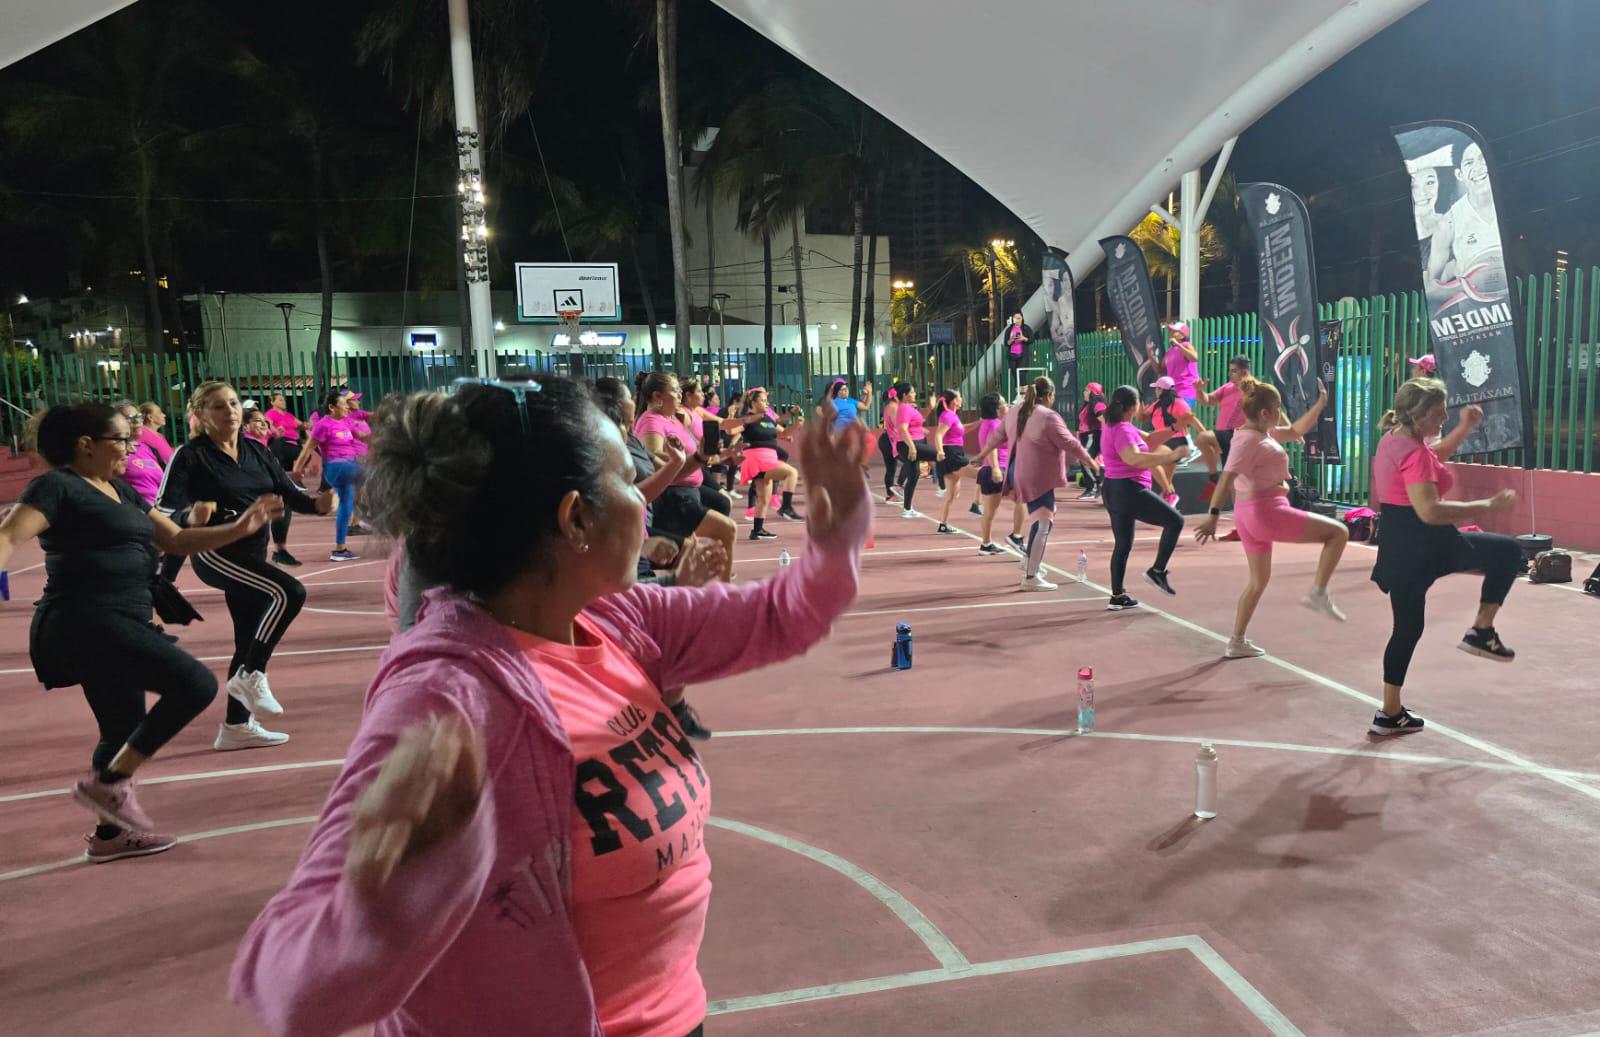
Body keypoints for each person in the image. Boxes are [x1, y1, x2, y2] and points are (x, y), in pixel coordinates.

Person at [230, 377, 870, 1037]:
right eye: (629, 478)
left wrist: (838, 528)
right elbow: (289, 988)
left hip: (676, 1016)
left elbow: (777, 614)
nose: (645, 504)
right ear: (575, 518)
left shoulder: (616, 619)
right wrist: (393, 892)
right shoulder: (445, 701)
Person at [0, 404, 279, 861]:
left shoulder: (120, 491)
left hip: (122, 620)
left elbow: (174, 539)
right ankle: (108, 785)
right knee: (195, 684)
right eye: (120, 439)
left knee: (121, 728)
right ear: (85, 445)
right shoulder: (56, 487)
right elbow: (10, 535)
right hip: (84, 620)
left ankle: (110, 836)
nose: (131, 447)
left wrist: (240, 527)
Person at [159, 381, 333, 750]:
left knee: (248, 638)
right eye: (219, 406)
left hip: (252, 553)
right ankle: (251, 675)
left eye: (234, 404)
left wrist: (317, 504)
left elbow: (288, 494)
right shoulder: (190, 456)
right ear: (201, 414)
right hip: (216, 552)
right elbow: (162, 511)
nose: (231, 412)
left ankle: (236, 726)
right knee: (290, 591)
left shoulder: (256, 450)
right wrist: (191, 514)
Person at [1366, 378, 1520, 736]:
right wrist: (1488, 505)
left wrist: (1465, 428)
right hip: (1425, 542)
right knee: (1509, 552)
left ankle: (1389, 713)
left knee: (1407, 627)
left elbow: (1433, 457)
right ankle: (1482, 631)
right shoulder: (1415, 452)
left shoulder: (1395, 438)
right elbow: (1430, 511)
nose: (1444, 419)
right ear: (1419, 416)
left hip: (1398, 541)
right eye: (1439, 414)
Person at [1194, 380, 1347, 659]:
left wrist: (1320, 404)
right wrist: (1213, 516)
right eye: (1277, 408)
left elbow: (1297, 430)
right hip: (1266, 512)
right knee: (1338, 533)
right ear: (1265, 413)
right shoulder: (1249, 441)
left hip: (1250, 516)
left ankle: (1236, 641)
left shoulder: (1256, 432)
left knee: (1258, 581)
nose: (1281, 412)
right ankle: (1318, 592)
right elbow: (1226, 477)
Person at [979, 377, 1099, 590]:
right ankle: (1031, 576)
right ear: (1049, 395)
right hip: (1036, 473)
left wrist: (983, 454)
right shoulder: (1048, 416)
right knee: (1044, 522)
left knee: (1042, 516)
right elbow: (1069, 442)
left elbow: (997, 436)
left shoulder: (1015, 410)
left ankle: (1028, 562)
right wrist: (1091, 461)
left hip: (1019, 470)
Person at [633, 373, 738, 578]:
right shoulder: (651, 421)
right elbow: (653, 461)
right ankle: (725, 595)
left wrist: (722, 456)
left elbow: (695, 455)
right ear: (657, 397)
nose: (680, 393)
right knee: (727, 530)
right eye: (674, 390)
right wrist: (686, 457)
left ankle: (695, 594)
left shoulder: (673, 419)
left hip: (690, 491)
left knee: (685, 559)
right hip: (674, 496)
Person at [1099, 384, 1187, 610]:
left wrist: (1173, 429)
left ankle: (1117, 596)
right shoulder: (1122, 430)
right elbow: (1134, 458)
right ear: (1135, 405)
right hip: (1128, 490)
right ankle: (1157, 571)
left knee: (1123, 543)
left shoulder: (1118, 426)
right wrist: (1170, 457)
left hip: (1114, 489)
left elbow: (1148, 440)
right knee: (1175, 521)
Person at [294, 389, 367, 561]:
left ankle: (339, 550)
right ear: (332, 407)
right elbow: (307, 449)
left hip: (349, 465)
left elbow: (362, 436)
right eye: (343, 404)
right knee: (374, 474)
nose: (347, 408)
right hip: (336, 467)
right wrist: (297, 470)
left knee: (346, 506)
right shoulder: (323, 425)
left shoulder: (346, 422)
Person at [730, 386, 799, 540]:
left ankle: (757, 530)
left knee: (764, 498)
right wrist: (731, 420)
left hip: (769, 458)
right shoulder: (748, 418)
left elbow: (783, 433)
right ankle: (786, 507)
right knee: (791, 473)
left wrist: (797, 425)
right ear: (753, 403)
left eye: (767, 401)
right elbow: (732, 431)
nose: (766, 403)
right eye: (763, 400)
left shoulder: (768, 419)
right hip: (756, 459)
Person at [1148, 375, 1219, 506]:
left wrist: (1207, 438)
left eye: (1156, 388)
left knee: (1152, 461)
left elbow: (1193, 421)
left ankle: (1169, 495)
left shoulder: (1179, 403)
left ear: (1161, 389)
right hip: (1164, 443)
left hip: (1177, 442)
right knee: (1166, 480)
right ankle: (1169, 499)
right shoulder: (1155, 406)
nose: (1155, 391)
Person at [972, 392, 1024, 555]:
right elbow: (992, 446)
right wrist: (995, 468)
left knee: (990, 511)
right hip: (997, 469)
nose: (1006, 405)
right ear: (997, 408)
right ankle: (1016, 536)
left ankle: (986, 544)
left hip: (993, 469)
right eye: (1004, 403)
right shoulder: (995, 424)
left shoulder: (989, 422)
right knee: (1021, 500)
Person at [929, 390, 974, 534]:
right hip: (951, 454)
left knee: (952, 494)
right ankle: (978, 504)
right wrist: (940, 451)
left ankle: (943, 525)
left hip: (954, 451)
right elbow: (938, 435)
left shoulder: (952, 416)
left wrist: (979, 422)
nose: (962, 399)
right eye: (960, 397)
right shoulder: (948, 416)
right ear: (955, 400)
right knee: (981, 475)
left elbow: (962, 429)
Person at [892, 383, 938, 519]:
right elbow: (903, 429)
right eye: (912, 392)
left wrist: (931, 403)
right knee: (939, 455)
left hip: (913, 442)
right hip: (909, 444)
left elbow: (921, 417)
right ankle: (944, 485)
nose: (915, 394)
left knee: (914, 474)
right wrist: (912, 447)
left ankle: (907, 509)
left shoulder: (909, 408)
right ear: (905, 395)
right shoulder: (905, 408)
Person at [114, 401, 165, 507]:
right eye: (130, 418)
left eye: (139, 416)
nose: (137, 421)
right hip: (139, 511)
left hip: (162, 509)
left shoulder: (148, 449)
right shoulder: (114, 452)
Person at [1075, 382, 1108, 500]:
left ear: (1093, 393)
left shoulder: (1098, 405)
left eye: (1087, 390)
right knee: (1088, 460)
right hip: (1086, 436)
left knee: (1085, 459)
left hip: (1092, 436)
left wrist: (1106, 436)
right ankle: (1096, 487)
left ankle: (1093, 488)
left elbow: (1105, 420)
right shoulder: (1088, 406)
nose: (1084, 392)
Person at [877, 386, 902, 503]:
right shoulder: (893, 407)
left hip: (886, 439)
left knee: (891, 468)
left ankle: (891, 494)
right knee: (907, 464)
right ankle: (893, 492)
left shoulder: (888, 406)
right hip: (889, 440)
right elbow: (898, 424)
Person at [1004, 313, 1030, 385]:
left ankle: (1024, 393)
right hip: (1012, 356)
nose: (1017, 320)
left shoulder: (1026, 328)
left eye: (1019, 318)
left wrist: (1024, 338)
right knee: (1015, 376)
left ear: (1022, 319)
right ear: (1013, 319)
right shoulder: (1009, 329)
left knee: (1021, 375)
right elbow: (1006, 343)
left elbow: (1032, 339)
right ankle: (1019, 392)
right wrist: (1011, 340)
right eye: (1016, 318)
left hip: (1022, 355)